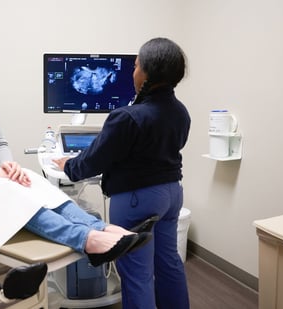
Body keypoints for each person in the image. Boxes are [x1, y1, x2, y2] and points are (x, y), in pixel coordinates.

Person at [0, 19, 151, 270]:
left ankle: (104, 228)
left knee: (36, 185)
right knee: (13, 197)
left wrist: (8, 165)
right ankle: (87, 240)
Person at [54, 37, 191, 308]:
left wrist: (67, 165)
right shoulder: (180, 112)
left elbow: (93, 161)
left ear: (147, 73)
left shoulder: (128, 117)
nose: (133, 71)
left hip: (136, 201)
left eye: (137, 65)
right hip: (172, 194)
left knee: (136, 274)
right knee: (169, 262)